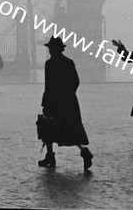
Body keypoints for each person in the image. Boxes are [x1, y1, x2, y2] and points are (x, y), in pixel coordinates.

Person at [39, 36, 93, 170]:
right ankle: (84, 151)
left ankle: (50, 155)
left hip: (54, 101)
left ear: (52, 50)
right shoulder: (69, 62)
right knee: (71, 129)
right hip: (69, 101)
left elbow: (48, 85)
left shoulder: (49, 64)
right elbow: (76, 81)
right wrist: (68, 93)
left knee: (49, 127)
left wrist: (46, 102)